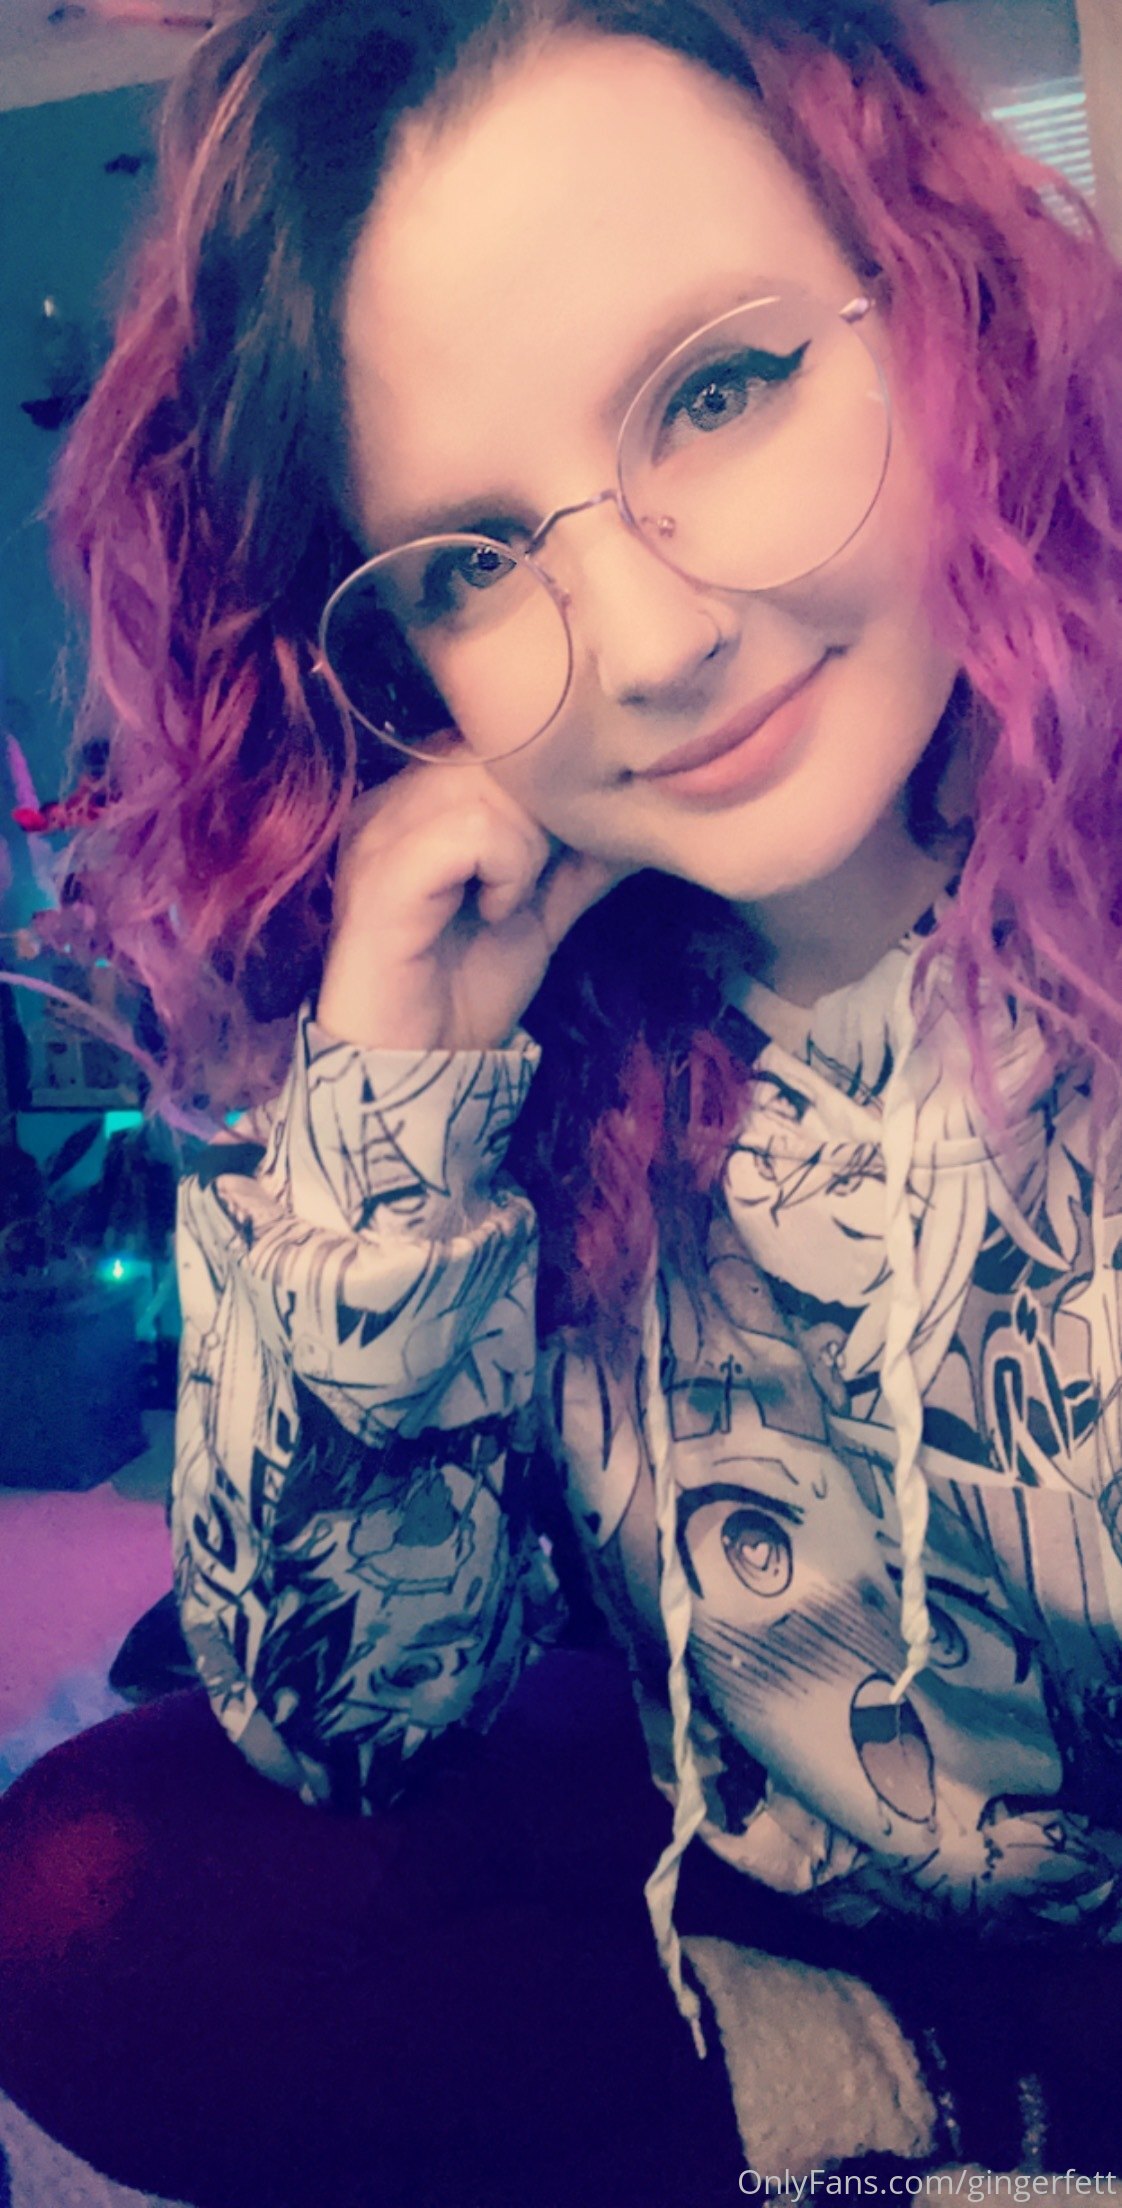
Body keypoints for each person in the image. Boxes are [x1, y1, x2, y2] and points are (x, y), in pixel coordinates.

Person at [3, 0, 1122, 2199]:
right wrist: (396, 1085)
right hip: (783, 1932)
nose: (647, 643)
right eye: (472, 559)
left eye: (720, 387)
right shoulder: (558, 1021)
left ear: (947, 315)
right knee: (98, 1890)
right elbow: (345, 1717)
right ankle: (957, 2103)